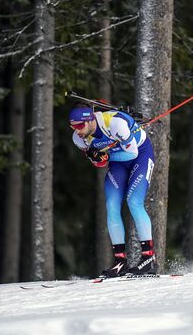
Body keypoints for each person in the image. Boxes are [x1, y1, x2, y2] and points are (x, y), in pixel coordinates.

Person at [69, 102, 157, 277]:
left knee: (133, 202)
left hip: (140, 155)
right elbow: (98, 162)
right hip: (118, 163)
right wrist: (96, 157)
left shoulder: (115, 124)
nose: (76, 130)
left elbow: (132, 153)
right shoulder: (78, 139)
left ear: (91, 119)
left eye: (79, 125)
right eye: (72, 126)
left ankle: (149, 258)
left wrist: (106, 155)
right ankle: (120, 261)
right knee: (111, 205)